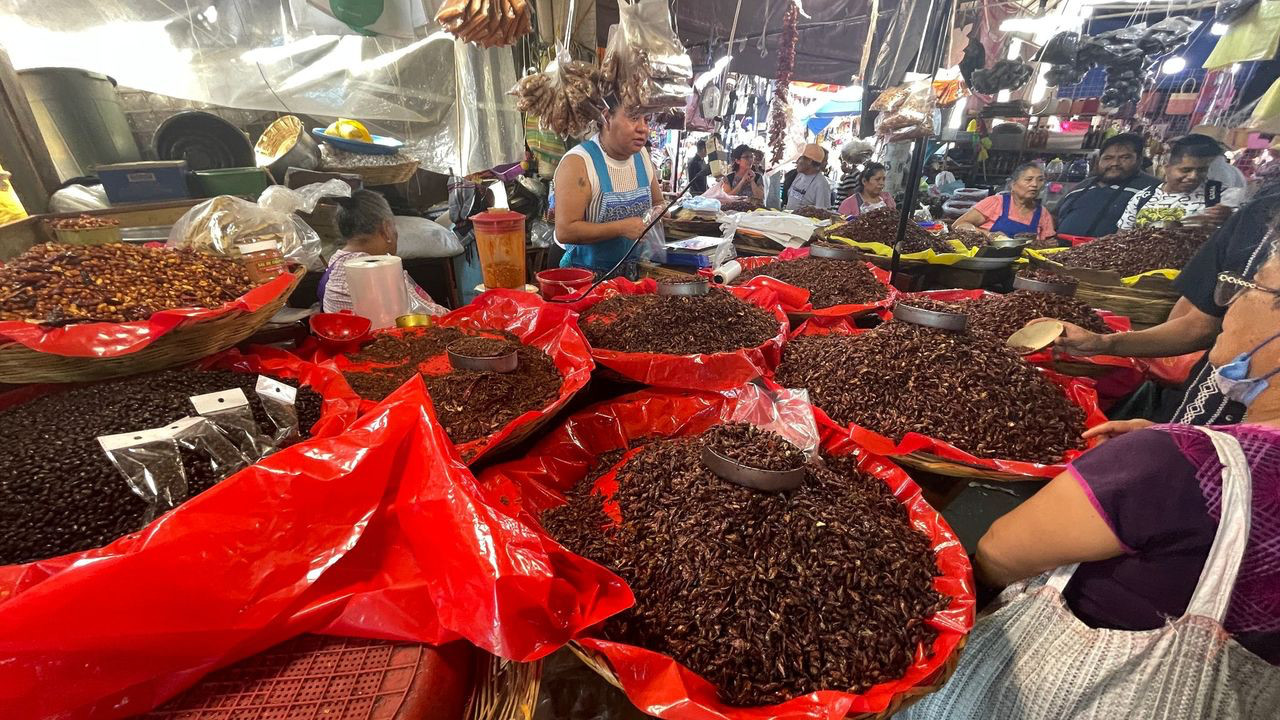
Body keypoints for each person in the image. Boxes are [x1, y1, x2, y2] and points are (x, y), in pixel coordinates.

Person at [902, 234, 1280, 719]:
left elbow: (999, 552)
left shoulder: (1172, 465)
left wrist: (1165, 454)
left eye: (1249, 287)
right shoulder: (1194, 457)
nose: (1228, 304)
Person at [1051, 180, 1280, 429]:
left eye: (1250, 287)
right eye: (1235, 285)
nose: (1233, 303)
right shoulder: (1256, 217)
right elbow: (1198, 325)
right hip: (1197, 417)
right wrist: (1104, 343)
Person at [552, 97, 663, 276]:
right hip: (584, 278)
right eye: (634, 118)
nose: (643, 128)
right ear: (606, 118)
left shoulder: (642, 156)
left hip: (631, 274)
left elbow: (658, 202)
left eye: (646, 120)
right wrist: (621, 228)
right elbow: (565, 230)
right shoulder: (579, 162)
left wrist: (658, 213)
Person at [320, 190, 448, 315]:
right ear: (386, 228)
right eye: (393, 225)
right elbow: (430, 315)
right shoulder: (379, 272)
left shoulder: (336, 261)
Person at [1053, 133, 1159, 238]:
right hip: (1056, 252)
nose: (1115, 163)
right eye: (1108, 158)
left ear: (1139, 160)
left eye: (1125, 157)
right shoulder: (1082, 186)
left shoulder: (1152, 189)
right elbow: (1053, 217)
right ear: (1099, 160)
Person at [1118, 134, 1231, 230]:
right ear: (1167, 168)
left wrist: (1228, 218)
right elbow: (1121, 238)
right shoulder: (1143, 197)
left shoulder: (1217, 196)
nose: (1193, 176)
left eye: (1202, 170)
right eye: (1186, 170)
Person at [953, 162, 1055, 241]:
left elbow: (1048, 247)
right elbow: (958, 225)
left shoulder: (1043, 214)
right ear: (1013, 184)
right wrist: (988, 234)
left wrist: (1047, 244)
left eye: (1040, 180)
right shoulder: (995, 203)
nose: (1035, 184)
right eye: (1029, 179)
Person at [784, 144, 832, 211]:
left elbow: (822, 211)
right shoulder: (799, 175)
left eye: (800, 158)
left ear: (809, 161)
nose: (797, 162)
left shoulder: (821, 184)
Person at [834, 138, 875, 206]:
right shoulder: (858, 174)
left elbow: (851, 198)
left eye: (842, 161)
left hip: (843, 211)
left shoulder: (849, 177)